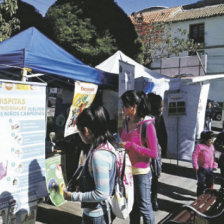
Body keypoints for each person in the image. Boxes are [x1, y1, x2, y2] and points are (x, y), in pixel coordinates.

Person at [63, 106, 117, 224]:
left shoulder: (99, 155)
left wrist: (73, 196)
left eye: (79, 131)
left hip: (96, 215)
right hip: (99, 212)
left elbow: (101, 193)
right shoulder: (104, 144)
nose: (79, 135)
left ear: (86, 130)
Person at [120, 90, 158, 224]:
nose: (122, 108)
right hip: (128, 172)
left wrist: (132, 146)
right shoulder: (125, 122)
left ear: (134, 106)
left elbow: (154, 153)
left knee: (145, 207)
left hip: (142, 173)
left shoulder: (147, 125)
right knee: (132, 207)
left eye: (125, 105)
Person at [147, 93, 167, 211]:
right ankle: (153, 200)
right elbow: (163, 134)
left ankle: (153, 200)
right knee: (154, 177)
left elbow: (163, 134)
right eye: (161, 106)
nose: (162, 108)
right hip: (154, 150)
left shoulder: (147, 118)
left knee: (151, 177)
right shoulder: (156, 117)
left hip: (151, 150)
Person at [192, 131, 217, 196]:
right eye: (210, 140)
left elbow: (213, 156)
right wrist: (195, 165)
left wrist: (214, 165)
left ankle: (208, 196)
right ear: (205, 140)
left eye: (213, 140)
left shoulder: (212, 146)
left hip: (210, 169)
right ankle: (199, 196)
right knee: (201, 184)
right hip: (201, 169)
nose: (212, 141)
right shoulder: (199, 146)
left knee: (210, 183)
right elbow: (195, 155)